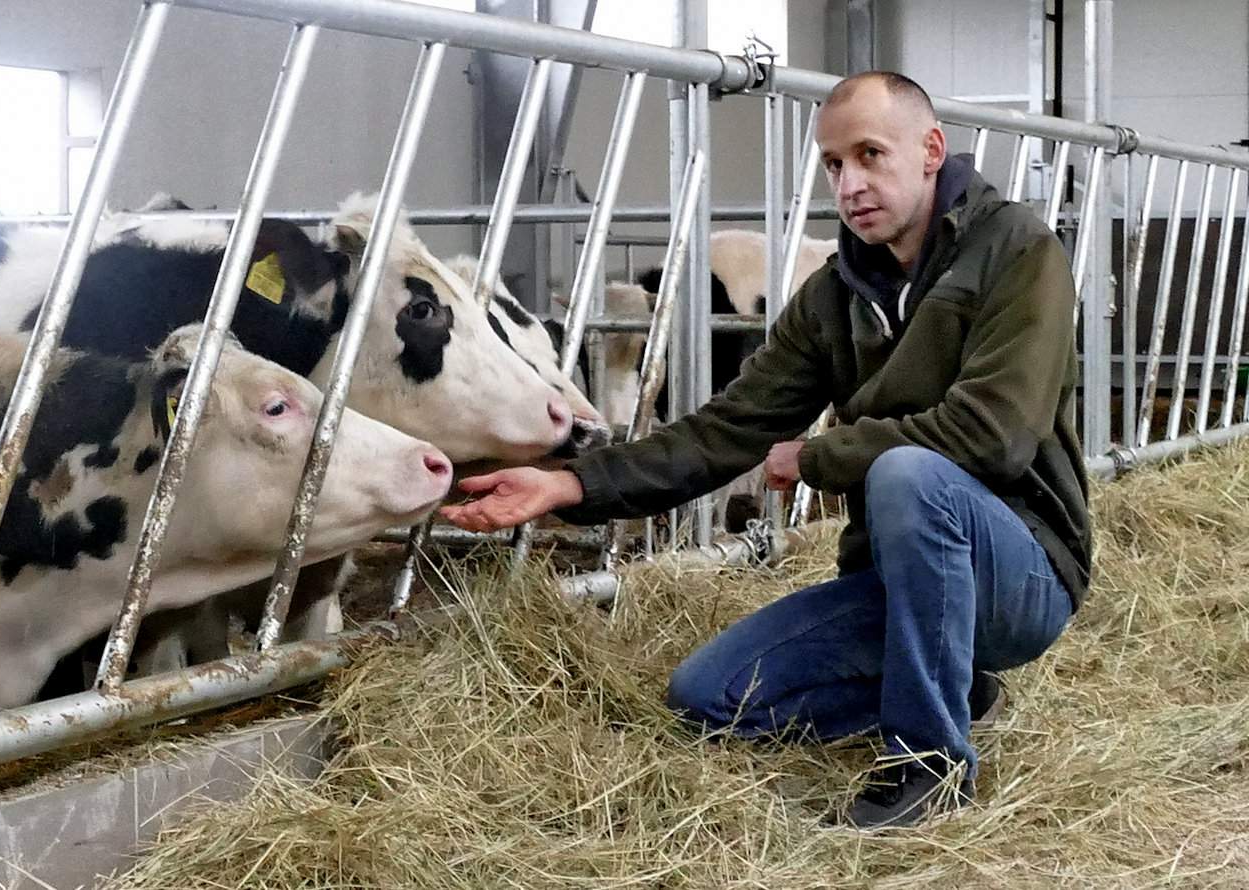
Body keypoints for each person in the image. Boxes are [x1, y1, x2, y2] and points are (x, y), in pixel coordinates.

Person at [440, 70, 1090, 830]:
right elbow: (727, 428)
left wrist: (817, 458)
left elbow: (996, 436)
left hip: (1022, 574)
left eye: (871, 154)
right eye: (834, 165)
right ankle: (955, 688)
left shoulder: (1017, 251)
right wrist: (571, 485)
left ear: (930, 150)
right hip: (899, 586)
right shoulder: (833, 296)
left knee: (911, 474)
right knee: (708, 698)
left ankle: (929, 761)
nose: (850, 184)